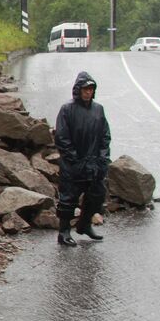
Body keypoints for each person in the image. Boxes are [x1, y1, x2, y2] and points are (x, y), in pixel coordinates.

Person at [54, 71, 110, 246]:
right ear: (78, 90)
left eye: (91, 89)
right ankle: (63, 232)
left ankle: (84, 225)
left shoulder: (98, 109)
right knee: (68, 199)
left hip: (94, 163)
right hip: (73, 164)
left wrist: (102, 158)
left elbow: (105, 136)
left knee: (97, 195)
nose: (88, 92)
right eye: (85, 89)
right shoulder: (67, 109)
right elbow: (62, 137)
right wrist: (74, 159)